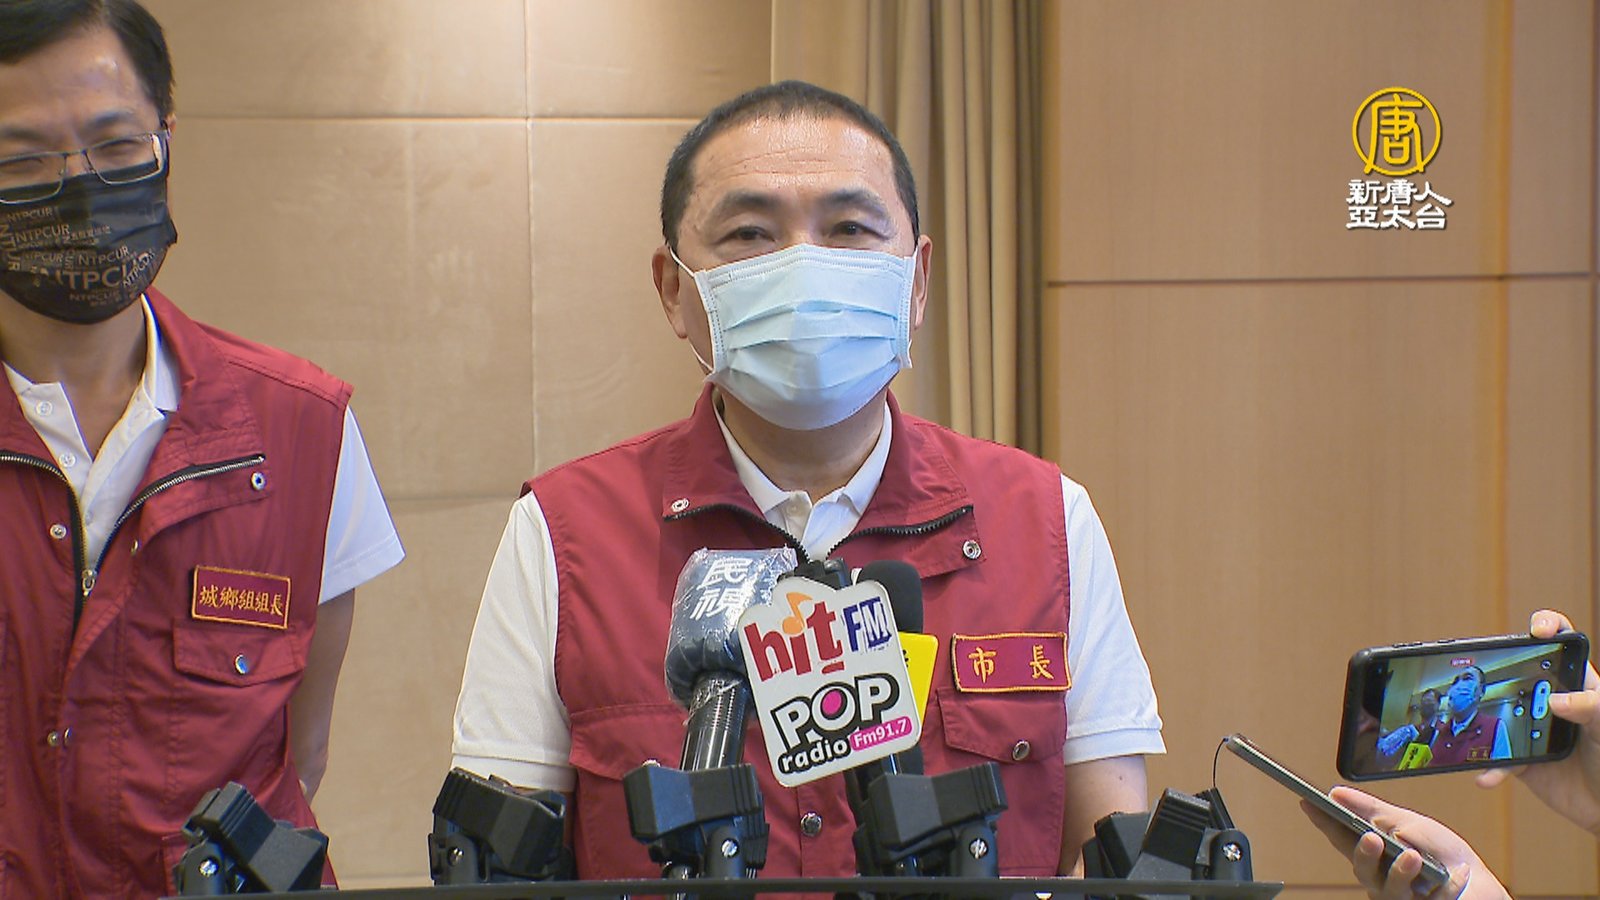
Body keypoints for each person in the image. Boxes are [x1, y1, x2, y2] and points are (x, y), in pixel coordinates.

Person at [451, 80, 1163, 879]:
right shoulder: (565, 533)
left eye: (850, 228)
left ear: (917, 281)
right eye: (750, 234)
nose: (803, 265)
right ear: (674, 290)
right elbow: (497, 870)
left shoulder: (1045, 520)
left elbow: (1113, 856)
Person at [0, 2, 404, 896]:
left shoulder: (302, 430)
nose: (79, 189)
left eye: (115, 145)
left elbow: (300, 753)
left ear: (166, 143)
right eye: (22, 161)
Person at [1306, 609, 1599, 899]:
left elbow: (1506, 758)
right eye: (1456, 681)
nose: (1458, 687)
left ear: (1480, 694)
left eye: (1467, 680)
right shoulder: (1435, 730)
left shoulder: (1494, 727)